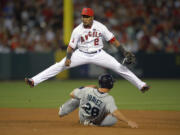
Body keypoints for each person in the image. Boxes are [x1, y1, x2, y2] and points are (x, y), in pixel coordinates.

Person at [25, 7, 150, 93]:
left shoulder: (100, 26)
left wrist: (124, 51)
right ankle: (33, 81)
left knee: (119, 67)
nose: (84, 18)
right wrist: (68, 58)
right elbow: (70, 46)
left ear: (92, 17)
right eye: (83, 16)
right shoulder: (77, 30)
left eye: (87, 16)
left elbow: (112, 40)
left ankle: (141, 85)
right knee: (59, 65)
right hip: (81, 54)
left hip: (99, 53)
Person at [59, 74, 138, 127]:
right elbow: (116, 113)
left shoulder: (88, 90)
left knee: (78, 97)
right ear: (111, 84)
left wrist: (87, 87)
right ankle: (92, 123)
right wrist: (128, 121)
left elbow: (71, 94)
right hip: (94, 122)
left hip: (82, 118)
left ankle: (62, 111)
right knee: (113, 117)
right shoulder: (109, 99)